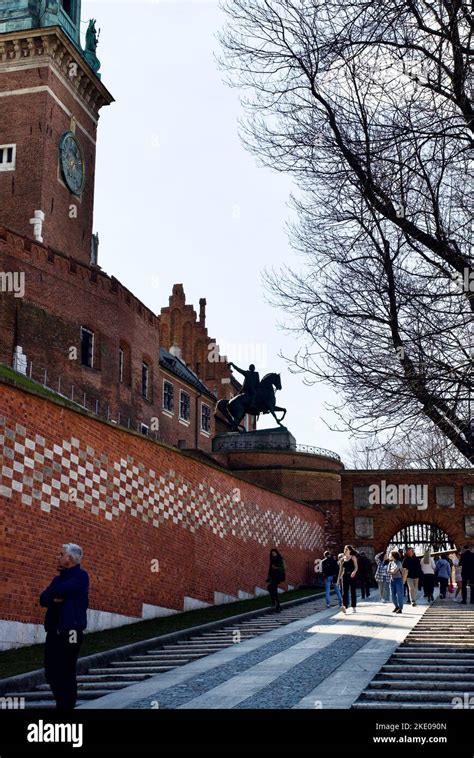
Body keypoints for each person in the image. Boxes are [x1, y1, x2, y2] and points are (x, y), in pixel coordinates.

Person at [39, 544, 89, 710]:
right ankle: (63, 704)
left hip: (71, 632)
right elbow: (43, 599)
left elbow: (64, 589)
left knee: (66, 672)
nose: (57, 557)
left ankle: (65, 708)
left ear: (69, 558)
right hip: (53, 632)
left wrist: (54, 594)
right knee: (50, 672)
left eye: (61, 554)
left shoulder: (81, 576)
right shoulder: (57, 579)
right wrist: (55, 598)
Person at [337, 545, 358, 614]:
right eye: (344, 549)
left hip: (352, 576)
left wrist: (354, 572)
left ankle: (354, 606)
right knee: (344, 592)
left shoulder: (353, 557)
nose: (345, 550)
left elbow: (356, 567)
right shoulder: (342, 559)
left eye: (347, 549)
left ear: (350, 550)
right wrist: (338, 580)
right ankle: (344, 606)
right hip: (345, 576)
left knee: (353, 591)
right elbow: (340, 570)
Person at [266, 548, 286, 613]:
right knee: (273, 590)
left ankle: (274, 603)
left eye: (274, 553)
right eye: (272, 554)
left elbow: (284, 568)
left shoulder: (280, 559)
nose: (273, 555)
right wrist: (269, 576)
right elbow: (270, 569)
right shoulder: (272, 560)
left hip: (278, 576)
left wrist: (276, 568)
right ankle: (277, 605)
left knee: (271, 587)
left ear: (277, 553)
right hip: (273, 576)